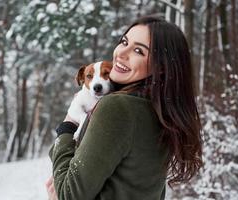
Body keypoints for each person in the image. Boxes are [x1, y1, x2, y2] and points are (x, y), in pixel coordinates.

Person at [46, 15, 203, 200]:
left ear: (160, 67)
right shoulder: (161, 112)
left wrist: (67, 125)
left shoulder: (118, 107)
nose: (121, 53)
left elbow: (68, 194)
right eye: (124, 41)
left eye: (138, 50)